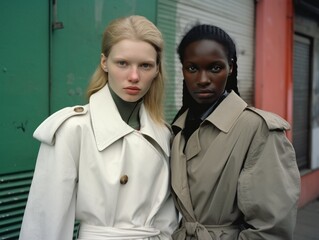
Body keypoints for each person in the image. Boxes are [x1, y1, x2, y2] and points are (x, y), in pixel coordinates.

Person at [19, 15, 178, 240]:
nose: (134, 76)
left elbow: (167, 220)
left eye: (145, 65)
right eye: (122, 63)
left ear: (156, 70)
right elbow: (45, 221)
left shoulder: (163, 133)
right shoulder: (73, 129)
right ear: (104, 63)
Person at [170, 24, 300, 240]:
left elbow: (271, 230)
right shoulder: (178, 129)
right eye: (192, 68)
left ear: (230, 67)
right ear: (183, 69)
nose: (203, 79)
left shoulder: (259, 129)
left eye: (214, 68)